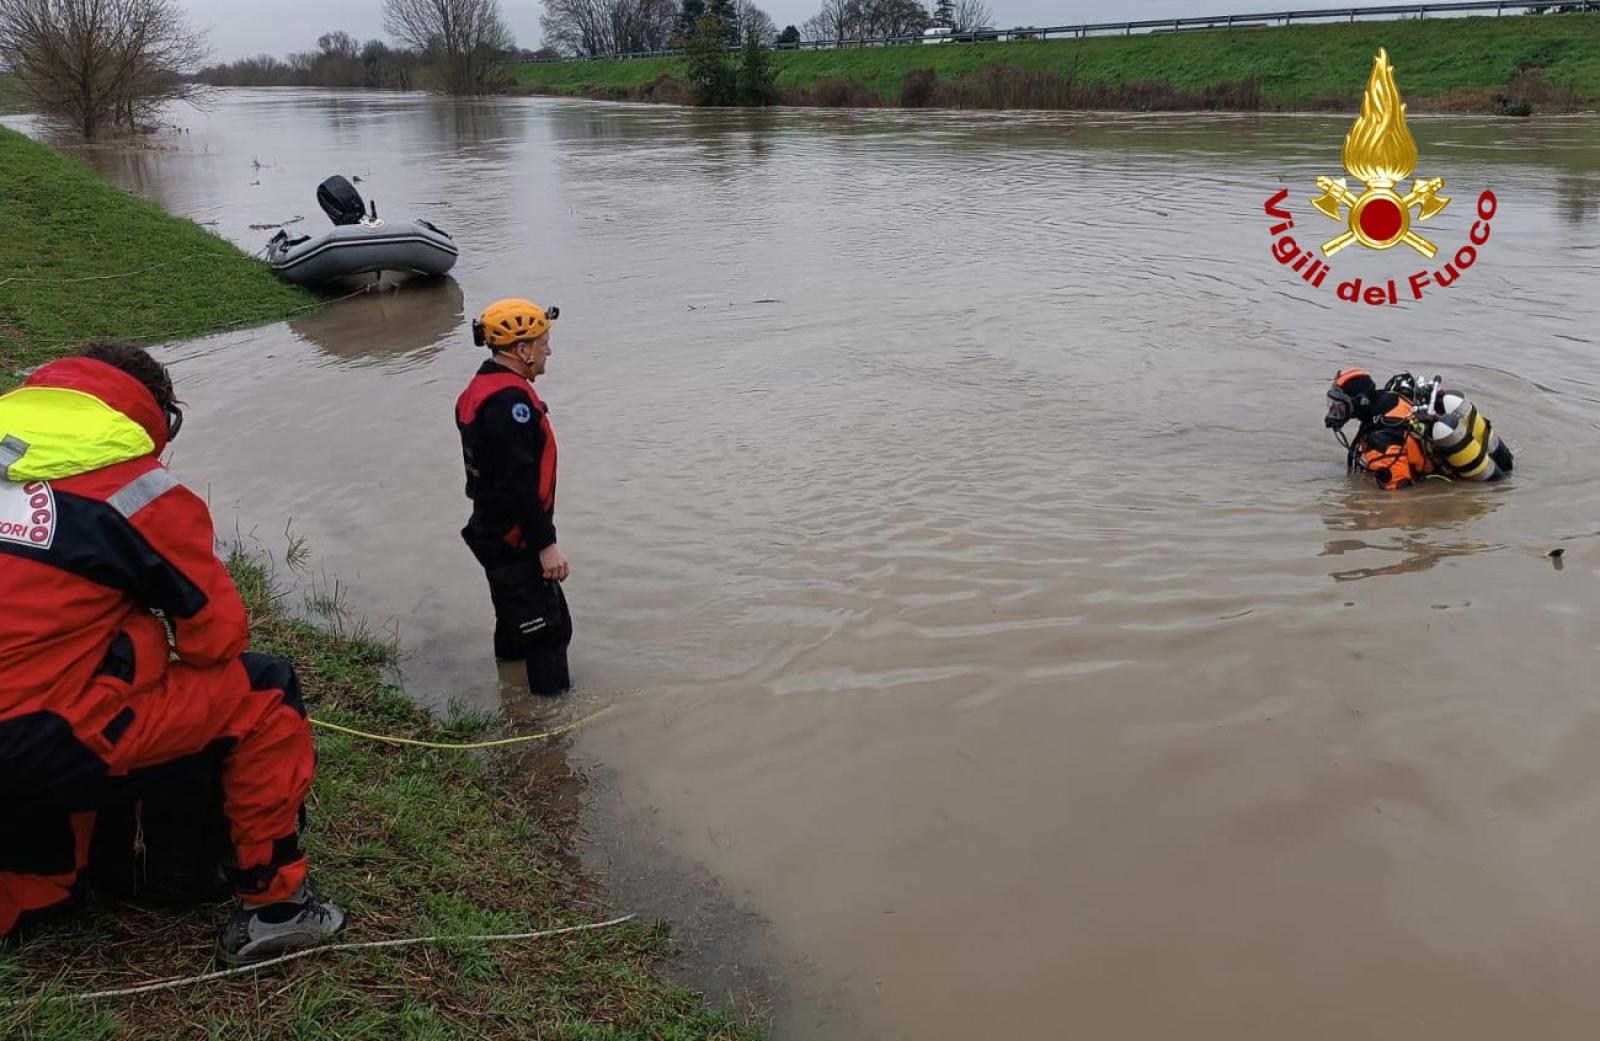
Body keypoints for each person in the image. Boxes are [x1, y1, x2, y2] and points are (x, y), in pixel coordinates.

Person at [0, 342, 345, 965]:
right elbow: (217, 638)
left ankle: (33, 886)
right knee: (264, 691)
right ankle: (279, 907)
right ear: (160, 418)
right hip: (26, 740)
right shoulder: (136, 487)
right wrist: (145, 634)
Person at [455, 299, 573, 697]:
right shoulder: (509, 404)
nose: (548, 352)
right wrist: (546, 546)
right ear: (521, 350)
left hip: (493, 531)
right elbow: (517, 483)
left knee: (513, 620)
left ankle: (510, 696)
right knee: (547, 632)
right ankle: (550, 739)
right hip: (514, 538)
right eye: (543, 343)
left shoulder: (483, 387)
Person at [1324, 368, 1513, 490]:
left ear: (1361, 402)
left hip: (1458, 476)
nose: (1335, 411)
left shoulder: (1379, 441)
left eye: (1340, 406)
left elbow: (1399, 493)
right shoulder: (1391, 398)